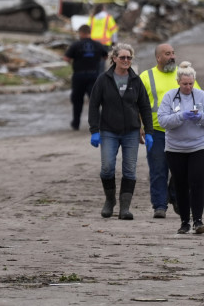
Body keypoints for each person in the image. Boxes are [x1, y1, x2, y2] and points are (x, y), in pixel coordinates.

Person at [89, 43, 153, 220]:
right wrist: (94, 130)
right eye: (123, 57)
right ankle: (110, 201)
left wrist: (149, 131)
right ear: (114, 58)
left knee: (130, 170)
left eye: (129, 58)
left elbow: (145, 107)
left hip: (131, 132)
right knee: (107, 167)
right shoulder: (103, 79)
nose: (126, 61)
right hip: (108, 130)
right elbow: (94, 105)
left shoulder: (136, 80)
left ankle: (125, 208)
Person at [157, 64, 204, 235]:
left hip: (199, 146)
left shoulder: (202, 96)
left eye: (191, 84)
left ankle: (198, 220)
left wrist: (201, 117)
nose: (188, 87)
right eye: (185, 84)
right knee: (181, 184)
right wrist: (181, 116)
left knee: (197, 181)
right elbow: (162, 120)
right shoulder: (170, 97)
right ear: (178, 82)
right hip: (175, 148)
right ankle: (184, 221)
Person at [139, 44, 179, 218]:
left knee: (180, 169)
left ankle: (175, 196)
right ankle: (159, 205)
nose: (172, 56)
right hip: (155, 131)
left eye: (173, 53)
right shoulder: (146, 77)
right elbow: (137, 104)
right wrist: (140, 126)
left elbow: (197, 96)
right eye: (167, 54)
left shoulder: (182, 74)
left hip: (179, 131)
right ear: (158, 58)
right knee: (158, 169)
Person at [63, 24, 108, 131]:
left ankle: (76, 123)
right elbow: (105, 56)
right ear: (89, 32)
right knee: (94, 101)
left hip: (79, 75)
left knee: (77, 100)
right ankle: (98, 124)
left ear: (81, 33)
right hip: (94, 75)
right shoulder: (98, 45)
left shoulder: (75, 45)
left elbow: (66, 58)